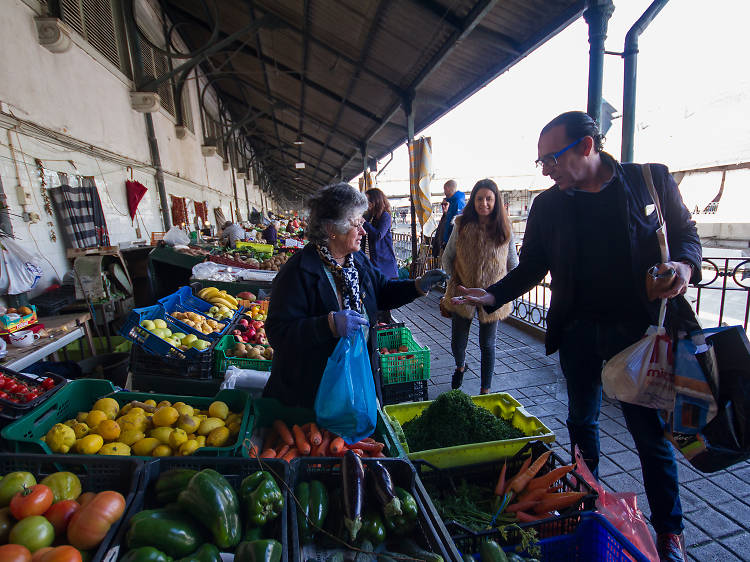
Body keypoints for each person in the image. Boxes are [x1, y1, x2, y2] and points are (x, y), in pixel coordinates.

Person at [454, 111, 701, 562]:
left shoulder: (651, 181)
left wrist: (684, 268)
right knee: (581, 423)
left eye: (552, 159)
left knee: (650, 437)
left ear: (587, 147)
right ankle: (586, 503)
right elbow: (531, 267)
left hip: (638, 336)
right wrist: (490, 295)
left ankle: (670, 533)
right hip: (579, 333)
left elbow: (687, 238)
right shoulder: (550, 206)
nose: (546, 170)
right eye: (542, 162)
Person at [263, 182, 446, 408]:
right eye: (356, 223)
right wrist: (327, 326)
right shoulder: (298, 272)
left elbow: (382, 291)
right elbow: (277, 332)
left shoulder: (356, 261)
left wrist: (417, 286)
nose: (362, 230)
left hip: (356, 379)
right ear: (332, 229)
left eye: (362, 222)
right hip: (312, 393)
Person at [442, 179, 518, 394]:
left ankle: (485, 389)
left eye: (489, 199)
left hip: (492, 296)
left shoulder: (505, 228)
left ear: (496, 201)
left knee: (488, 344)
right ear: (473, 200)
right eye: (479, 198)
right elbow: (447, 258)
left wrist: (504, 292)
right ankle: (460, 366)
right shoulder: (461, 225)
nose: (484, 203)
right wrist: (454, 281)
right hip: (462, 293)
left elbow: (513, 264)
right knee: (458, 341)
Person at [363, 188, 398, 280]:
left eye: (369, 201)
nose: (367, 204)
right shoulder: (371, 216)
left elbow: (378, 235)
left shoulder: (385, 216)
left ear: (376, 201)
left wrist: (364, 223)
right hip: (374, 261)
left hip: (385, 264)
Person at [442, 179, 466, 247]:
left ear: (449, 189)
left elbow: (457, 225)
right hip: (449, 241)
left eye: (445, 189)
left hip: (453, 243)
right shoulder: (452, 203)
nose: (444, 192)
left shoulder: (458, 203)